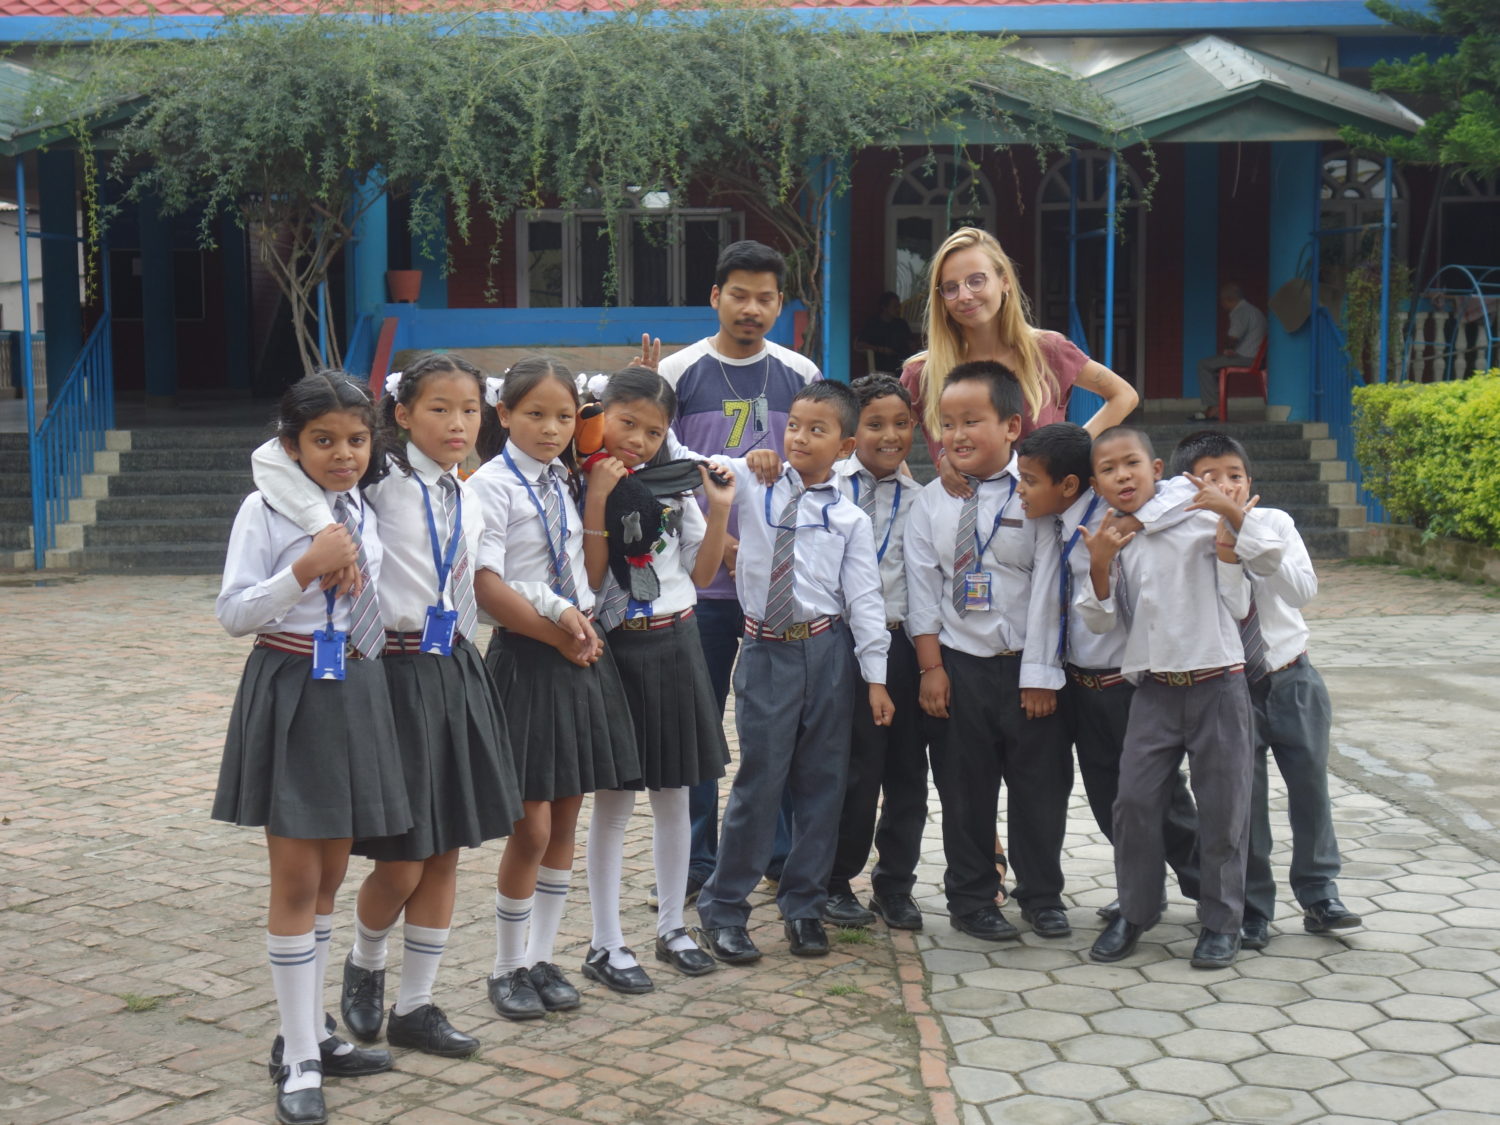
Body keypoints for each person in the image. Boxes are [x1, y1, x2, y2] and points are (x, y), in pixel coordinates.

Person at [250, 354, 533, 1061]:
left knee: (445, 850)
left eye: (469, 409)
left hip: (454, 668)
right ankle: (365, 960)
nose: (457, 423)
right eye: (439, 408)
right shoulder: (376, 477)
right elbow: (273, 459)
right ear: (400, 415)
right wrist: (327, 535)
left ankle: (417, 1004)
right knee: (403, 857)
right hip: (390, 671)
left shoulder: (469, 488)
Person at [216, 372, 406, 1125]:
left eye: (356, 439)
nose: (343, 454)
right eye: (323, 441)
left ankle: (313, 1031)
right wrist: (306, 566)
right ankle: (297, 1056)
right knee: (296, 878)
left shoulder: (360, 505)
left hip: (356, 684)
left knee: (329, 874)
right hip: (293, 683)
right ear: (290, 445)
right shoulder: (264, 509)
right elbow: (234, 612)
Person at [465, 356, 642, 1019]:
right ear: (503, 413)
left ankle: (541, 957)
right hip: (528, 658)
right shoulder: (489, 486)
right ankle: (505, 966)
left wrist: (578, 630)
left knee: (566, 814)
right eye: (535, 414)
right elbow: (486, 586)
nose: (550, 428)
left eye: (564, 416)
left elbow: (581, 571)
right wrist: (557, 634)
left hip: (576, 654)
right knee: (531, 826)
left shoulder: (564, 480)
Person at [695, 380, 893, 963]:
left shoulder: (850, 518)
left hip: (827, 651)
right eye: (796, 426)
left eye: (818, 430)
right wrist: (742, 459)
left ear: (846, 446)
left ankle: (804, 906)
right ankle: (724, 909)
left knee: (823, 784)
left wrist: (876, 678)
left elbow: (865, 599)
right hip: (765, 652)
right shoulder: (755, 481)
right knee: (760, 781)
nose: (800, 438)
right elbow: (696, 463)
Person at [656, 240, 821, 907]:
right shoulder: (678, 371)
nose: (751, 308)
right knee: (697, 725)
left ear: (780, 305)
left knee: (773, 727)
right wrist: (716, 540)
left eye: (765, 298)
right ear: (715, 296)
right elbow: (659, 469)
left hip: (776, 590)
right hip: (696, 585)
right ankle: (695, 861)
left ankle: (774, 854)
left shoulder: (799, 372)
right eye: (739, 294)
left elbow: (816, 464)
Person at [1170, 431, 1362, 949]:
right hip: (1232, 687)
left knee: (1310, 789)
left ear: (1250, 480)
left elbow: (1301, 590)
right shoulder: (1187, 539)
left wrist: (1245, 527)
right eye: (1211, 477)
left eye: (1234, 475)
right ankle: (1253, 907)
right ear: (1187, 486)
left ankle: (1320, 895)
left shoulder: (1276, 523)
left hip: (1292, 676)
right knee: (1244, 802)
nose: (1226, 485)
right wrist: (1228, 548)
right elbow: (1233, 607)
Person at [904, 360, 1070, 943]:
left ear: (1012, 426)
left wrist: (1041, 674)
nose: (957, 435)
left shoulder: (1037, 496)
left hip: (1029, 667)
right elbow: (922, 590)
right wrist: (931, 668)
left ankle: (1042, 895)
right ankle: (971, 898)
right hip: (960, 667)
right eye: (947, 423)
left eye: (972, 421)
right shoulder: (930, 502)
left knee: (1040, 789)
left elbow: (1051, 591)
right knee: (964, 790)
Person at [1077, 427, 1254, 970]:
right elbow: (1100, 621)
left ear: (1157, 469)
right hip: (1153, 689)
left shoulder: (1196, 511)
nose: (1122, 476)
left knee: (1223, 810)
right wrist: (1100, 564)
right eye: (1108, 470)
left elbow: (1241, 587)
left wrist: (1144, 520)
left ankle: (1222, 922)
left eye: (1132, 463)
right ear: (1095, 484)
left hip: (1217, 682)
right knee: (1133, 803)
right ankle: (1136, 911)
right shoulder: (1109, 537)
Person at [579, 367, 734, 983]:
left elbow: (702, 575)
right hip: (616, 646)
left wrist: (719, 509)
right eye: (627, 423)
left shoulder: (677, 483)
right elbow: (592, 577)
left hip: (676, 641)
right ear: (602, 415)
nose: (638, 440)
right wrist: (598, 497)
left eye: (653, 430)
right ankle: (606, 942)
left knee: (674, 795)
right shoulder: (580, 480)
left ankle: (672, 927)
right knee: (615, 801)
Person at [1014, 423, 1202, 916]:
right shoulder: (1055, 522)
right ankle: (1141, 891)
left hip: (1127, 685)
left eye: (1029, 481)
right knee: (1108, 800)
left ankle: (1215, 893)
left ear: (1068, 485)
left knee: (1162, 800)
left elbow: (1182, 491)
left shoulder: (1115, 514)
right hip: (1081, 684)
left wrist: (1136, 520)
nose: (1020, 490)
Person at [900, 226, 1139, 500]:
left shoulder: (1047, 351)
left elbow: (1124, 395)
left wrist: (1072, 452)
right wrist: (914, 499)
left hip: (1043, 514)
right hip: (962, 518)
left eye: (976, 280)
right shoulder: (923, 372)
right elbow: (884, 439)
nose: (964, 296)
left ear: (1005, 282)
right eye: (951, 288)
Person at [822, 375, 928, 933]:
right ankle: (836, 880)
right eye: (875, 424)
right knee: (853, 771)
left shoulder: (923, 499)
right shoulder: (827, 487)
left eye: (901, 424)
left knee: (907, 770)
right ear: (851, 431)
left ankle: (895, 885)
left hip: (901, 645)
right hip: (841, 644)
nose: (891, 436)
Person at [1191, 283, 1267, 421]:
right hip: (1256, 357)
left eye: (1222, 301)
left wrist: (1228, 349)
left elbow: (1233, 337)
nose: (1222, 304)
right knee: (1214, 367)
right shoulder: (1254, 310)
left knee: (1203, 365)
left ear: (1228, 299)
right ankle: (1215, 404)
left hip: (1246, 358)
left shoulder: (1240, 312)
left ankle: (1214, 406)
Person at [854, 291, 917, 374]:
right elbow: (860, 344)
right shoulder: (873, 323)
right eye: (895, 307)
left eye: (899, 306)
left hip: (902, 363)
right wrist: (881, 349)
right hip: (882, 364)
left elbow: (911, 343)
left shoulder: (901, 324)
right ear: (884, 307)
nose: (898, 309)